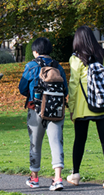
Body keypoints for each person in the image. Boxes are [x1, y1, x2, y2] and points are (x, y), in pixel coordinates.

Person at [66, 25, 104, 189]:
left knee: (80, 139)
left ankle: (75, 173)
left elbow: (73, 85)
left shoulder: (76, 58)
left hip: (84, 106)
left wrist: (71, 108)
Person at [18, 37, 68, 190]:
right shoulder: (58, 66)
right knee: (56, 142)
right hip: (56, 110)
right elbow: (65, 89)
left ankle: (34, 178)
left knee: (35, 143)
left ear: (35, 52)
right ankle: (58, 178)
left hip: (36, 109)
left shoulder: (31, 66)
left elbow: (22, 88)